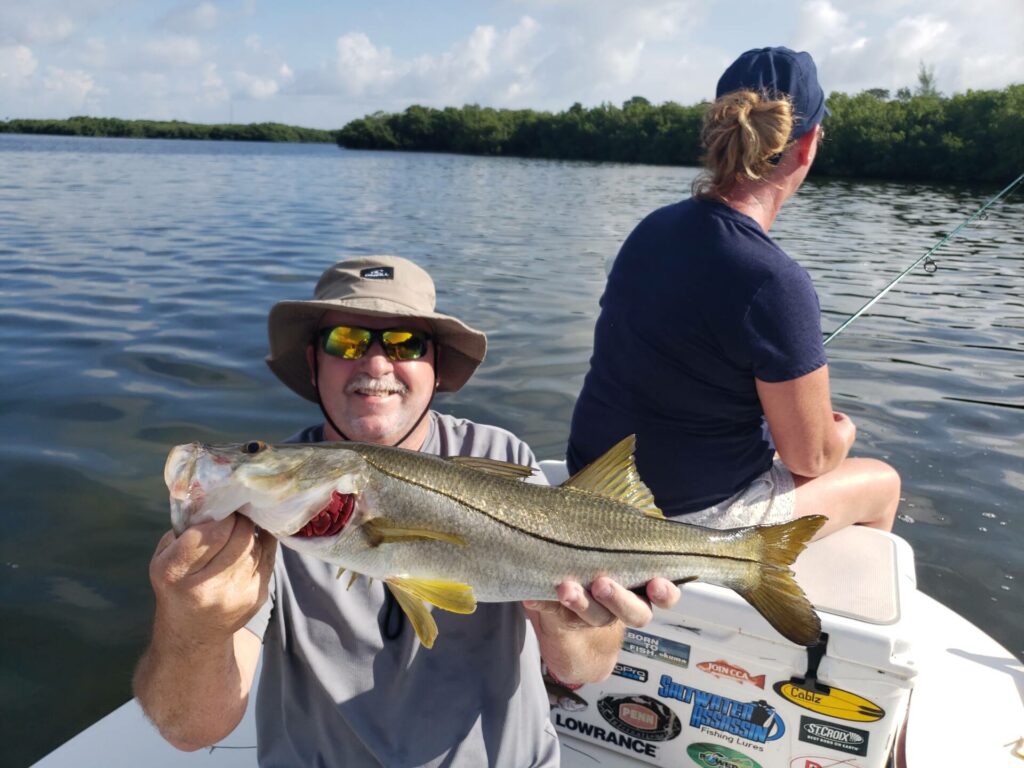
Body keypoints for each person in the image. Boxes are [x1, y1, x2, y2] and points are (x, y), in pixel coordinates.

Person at [134, 255, 681, 766]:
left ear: (436, 364)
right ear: (312, 360)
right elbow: (192, 730)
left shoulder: (504, 458)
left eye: (404, 341)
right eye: (345, 340)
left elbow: (585, 668)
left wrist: (569, 623)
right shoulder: (265, 512)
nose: (375, 362)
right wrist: (192, 627)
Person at [567, 47, 900, 538]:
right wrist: (841, 434)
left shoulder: (651, 229)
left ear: (717, 132)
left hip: (589, 483)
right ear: (808, 147)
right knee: (881, 482)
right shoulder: (774, 281)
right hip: (675, 523)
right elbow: (810, 456)